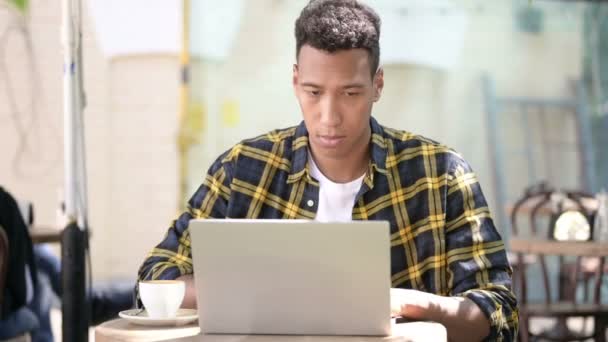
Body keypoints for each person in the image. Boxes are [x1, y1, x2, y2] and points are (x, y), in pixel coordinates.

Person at [137, 1, 518, 340]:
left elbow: (497, 311)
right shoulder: (242, 169)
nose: (329, 116)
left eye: (350, 93)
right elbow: (154, 278)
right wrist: (252, 289)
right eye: (314, 92)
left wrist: (400, 303)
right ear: (295, 82)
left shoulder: (440, 175)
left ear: (377, 85)